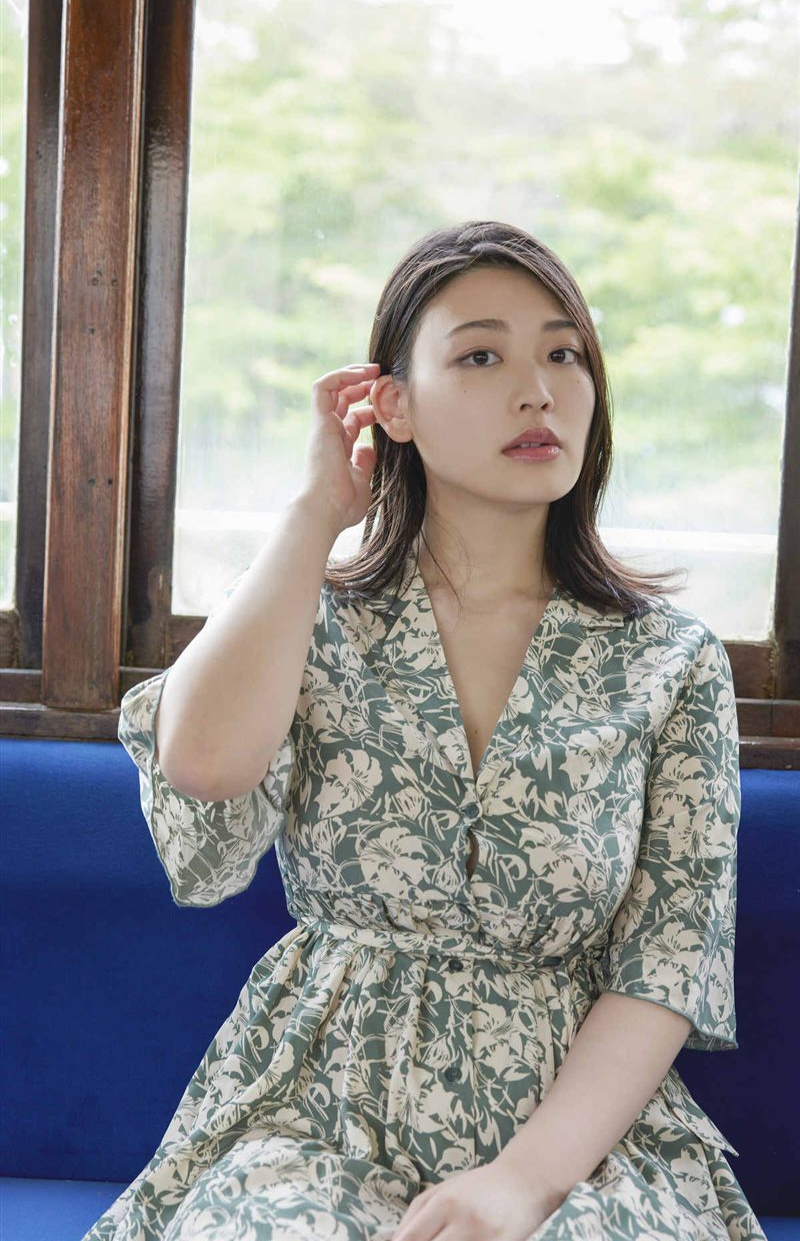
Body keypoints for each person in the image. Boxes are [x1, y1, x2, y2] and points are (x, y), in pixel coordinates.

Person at [83, 220, 766, 1240]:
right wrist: (317, 512)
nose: (537, 391)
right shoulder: (307, 616)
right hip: (319, 1114)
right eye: (481, 356)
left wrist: (522, 1182)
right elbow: (205, 767)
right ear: (390, 405)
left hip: (573, 1138)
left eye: (564, 354)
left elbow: (664, 968)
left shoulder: (670, 661)